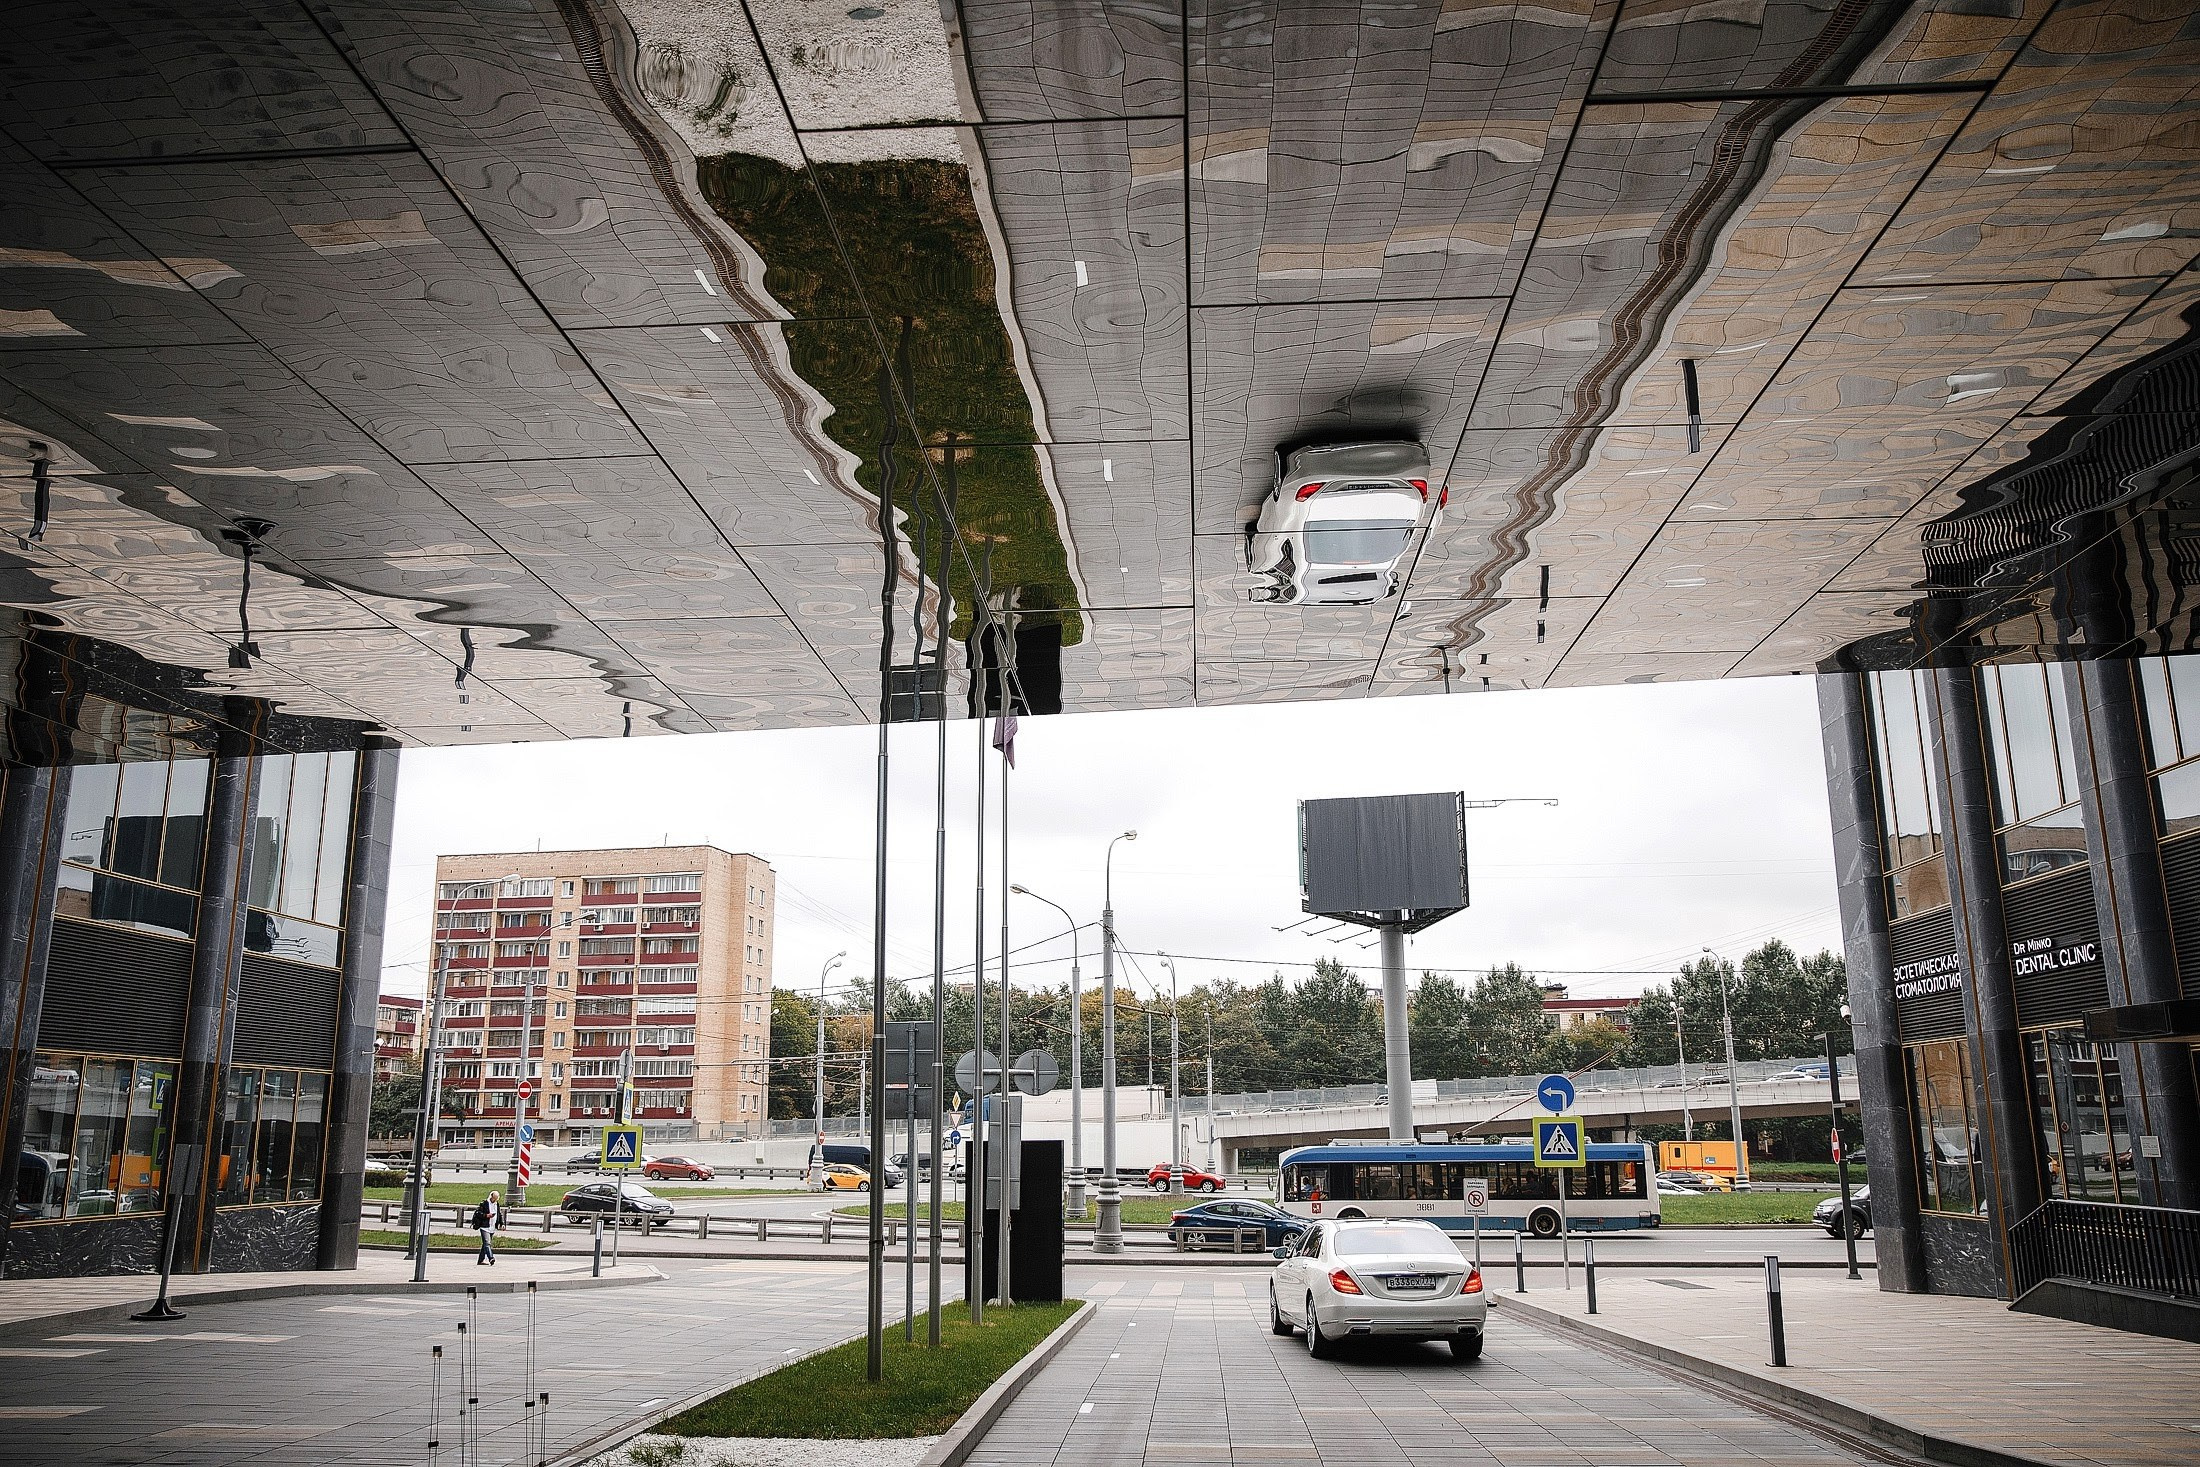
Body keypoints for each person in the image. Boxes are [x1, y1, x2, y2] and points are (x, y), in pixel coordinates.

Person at [471, 1190, 501, 1265]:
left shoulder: (496, 1204)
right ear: (491, 1196)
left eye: (496, 1199)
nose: (494, 1200)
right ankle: (491, 1258)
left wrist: (501, 1223)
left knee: (485, 1244)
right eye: (494, 1199)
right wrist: (486, 1215)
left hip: (492, 1227)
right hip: (484, 1227)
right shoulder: (484, 1203)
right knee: (487, 1243)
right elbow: (478, 1213)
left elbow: (499, 1214)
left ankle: (480, 1260)